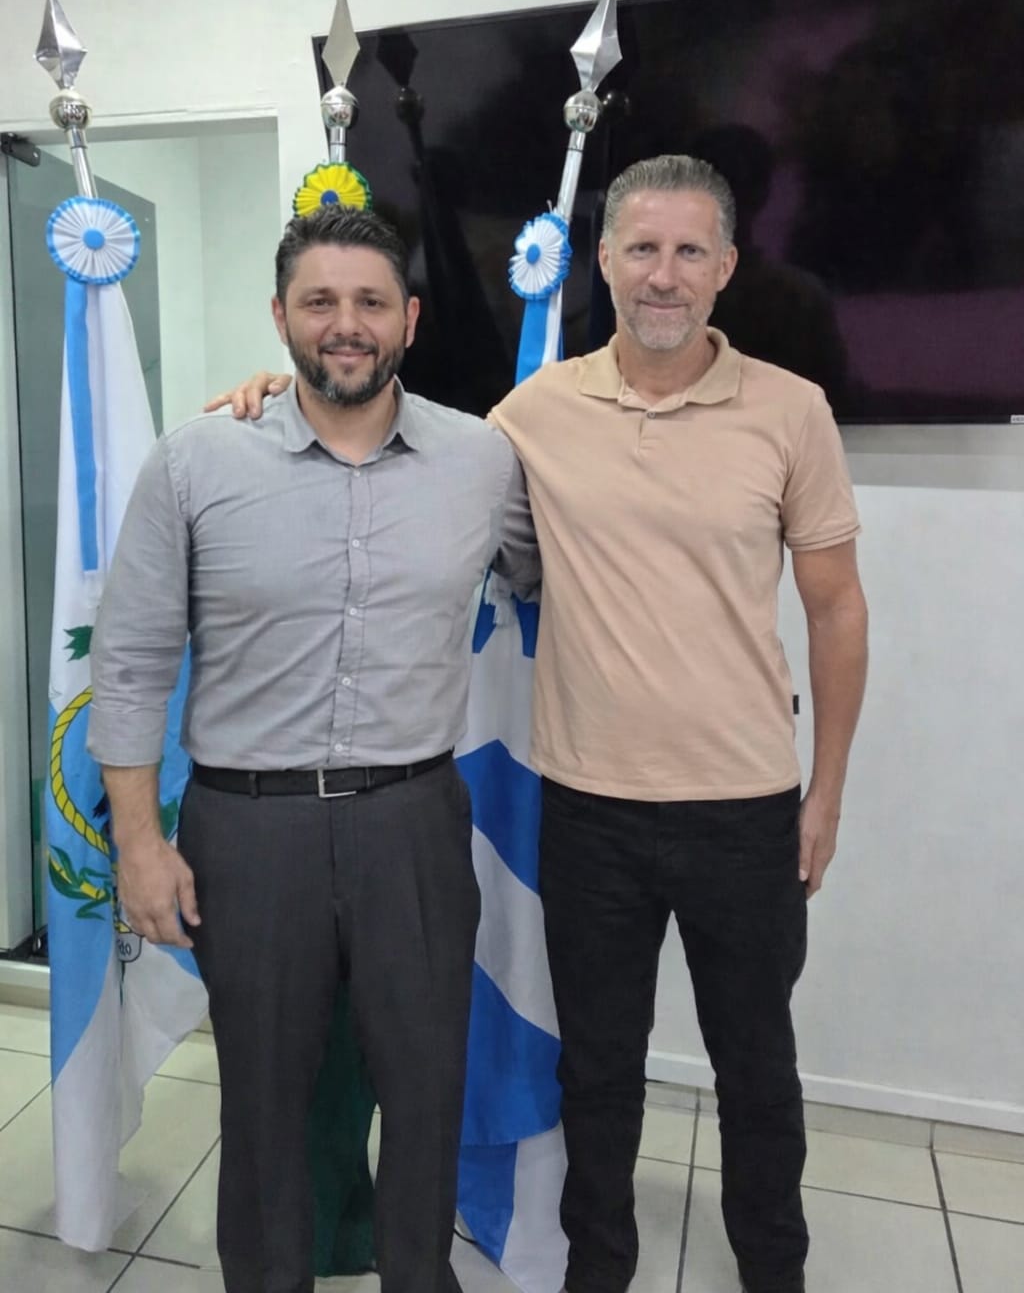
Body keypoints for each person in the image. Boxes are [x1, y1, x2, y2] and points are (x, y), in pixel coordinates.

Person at [223, 155, 869, 1293]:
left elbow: (836, 609)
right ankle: (597, 1274)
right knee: (600, 1075)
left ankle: (776, 1267)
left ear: (725, 266)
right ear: (602, 262)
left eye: (688, 251)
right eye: (641, 248)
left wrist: (825, 793)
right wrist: (274, 397)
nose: (663, 274)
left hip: (745, 809)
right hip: (589, 812)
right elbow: (387, 425)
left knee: (757, 1070)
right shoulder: (533, 415)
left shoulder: (791, 410)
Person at [87, 204, 538, 1293]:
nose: (346, 324)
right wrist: (140, 844)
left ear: (410, 320)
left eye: (370, 302)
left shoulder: (484, 461)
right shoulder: (196, 462)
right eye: (320, 301)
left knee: (424, 1092)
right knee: (265, 1108)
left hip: (411, 824)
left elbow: (546, 574)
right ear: (280, 316)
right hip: (249, 833)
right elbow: (132, 660)